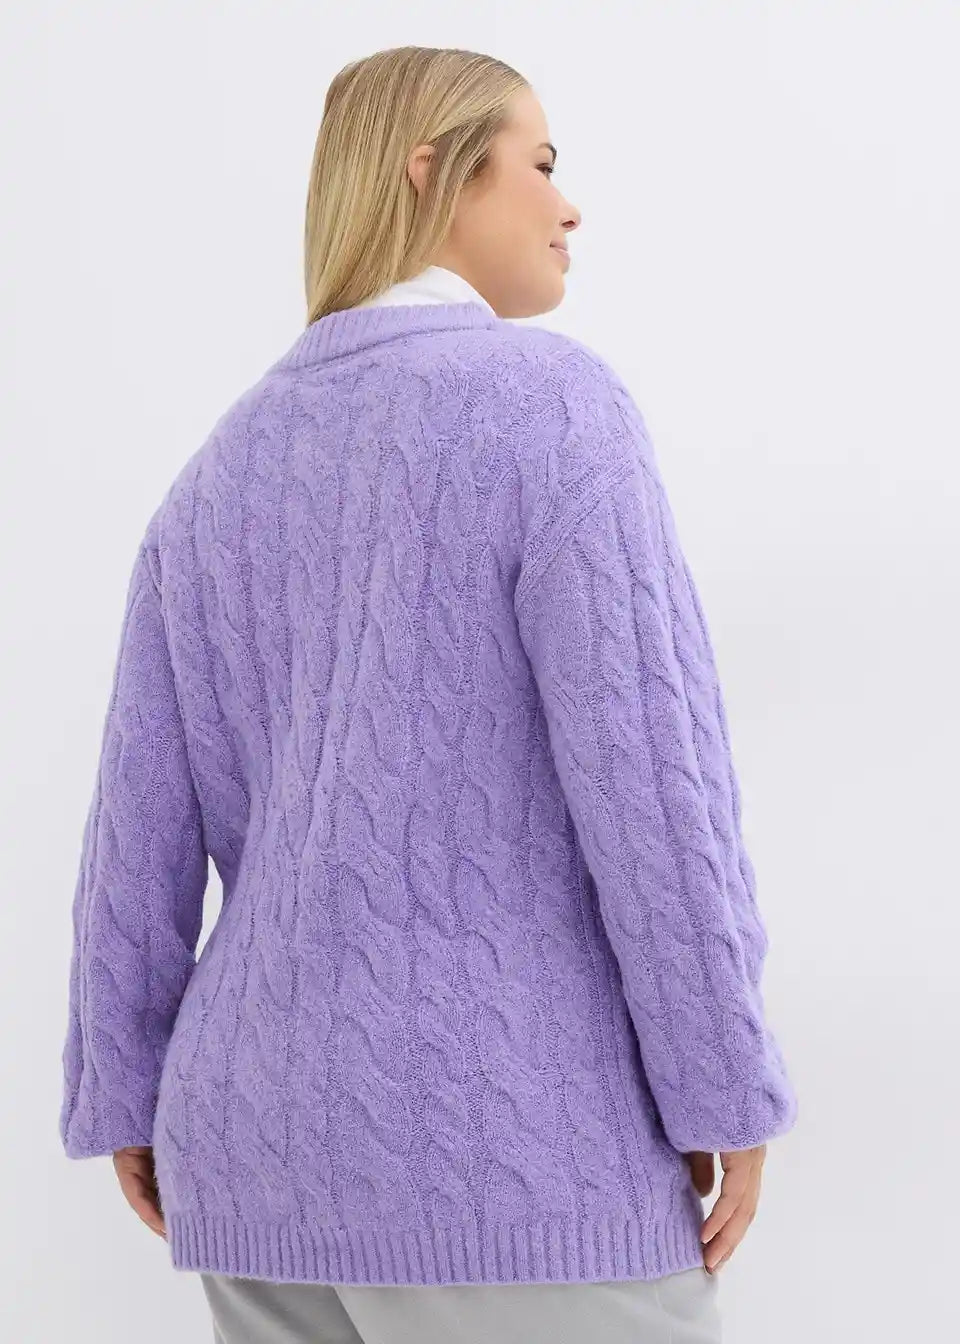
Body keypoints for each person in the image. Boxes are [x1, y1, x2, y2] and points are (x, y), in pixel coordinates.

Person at [58, 44, 798, 1344]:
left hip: (250, 1156)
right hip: (507, 1154)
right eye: (541, 164)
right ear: (431, 171)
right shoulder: (549, 411)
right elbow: (652, 790)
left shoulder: (216, 474)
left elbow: (135, 843)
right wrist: (723, 1083)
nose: (569, 205)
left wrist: (126, 1093)